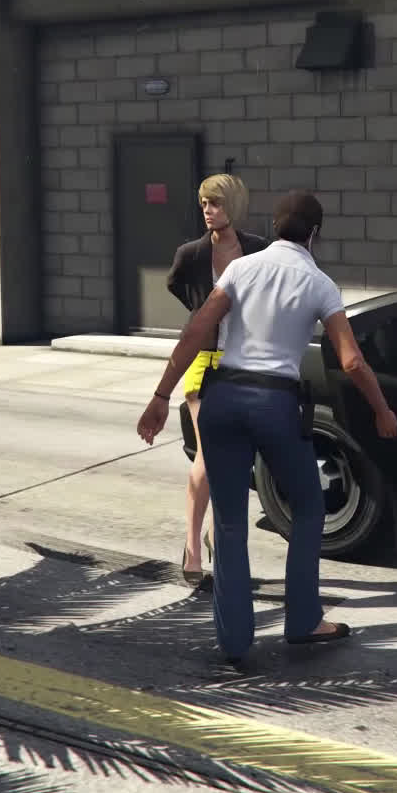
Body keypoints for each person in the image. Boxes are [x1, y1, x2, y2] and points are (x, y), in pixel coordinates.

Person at [136, 190, 397, 664]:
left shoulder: (240, 269)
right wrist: (382, 410)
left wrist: (160, 396)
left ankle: (234, 641)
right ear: (315, 234)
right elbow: (351, 361)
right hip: (275, 404)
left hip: (223, 398)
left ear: (275, 227)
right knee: (309, 506)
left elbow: (197, 330)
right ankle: (304, 620)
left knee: (230, 519)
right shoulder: (319, 283)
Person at [163, 173, 268, 586]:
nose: (208, 210)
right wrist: (203, 314)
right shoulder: (191, 254)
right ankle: (193, 545)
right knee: (209, 454)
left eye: (216, 203)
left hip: (243, 358)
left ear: (233, 206)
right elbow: (175, 285)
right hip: (203, 361)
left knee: (236, 455)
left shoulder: (257, 249)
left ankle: (214, 535)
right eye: (204, 203)